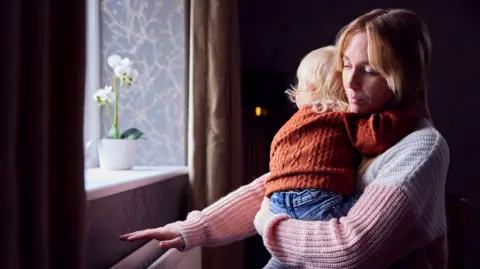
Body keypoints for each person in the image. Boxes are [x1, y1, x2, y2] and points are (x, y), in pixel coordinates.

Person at [120, 8, 449, 269]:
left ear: (402, 76)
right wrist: (191, 230)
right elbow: (285, 183)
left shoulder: (420, 146)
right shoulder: (355, 123)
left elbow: (349, 250)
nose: (349, 82)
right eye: (346, 65)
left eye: (370, 70)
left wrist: (268, 223)